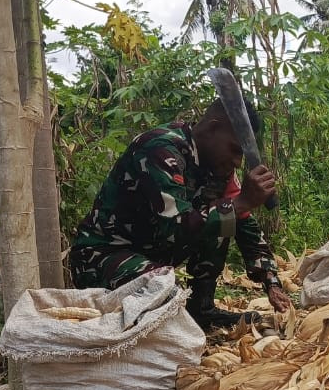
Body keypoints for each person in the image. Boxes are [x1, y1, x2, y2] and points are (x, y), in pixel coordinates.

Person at [69, 98, 293, 331]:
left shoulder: (217, 166)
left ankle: (202, 308)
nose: (237, 162)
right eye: (235, 150)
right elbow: (176, 227)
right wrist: (240, 202)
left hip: (152, 262)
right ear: (212, 128)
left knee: (226, 220)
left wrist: (271, 282)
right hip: (102, 258)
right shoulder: (159, 148)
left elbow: (244, 225)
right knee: (166, 289)